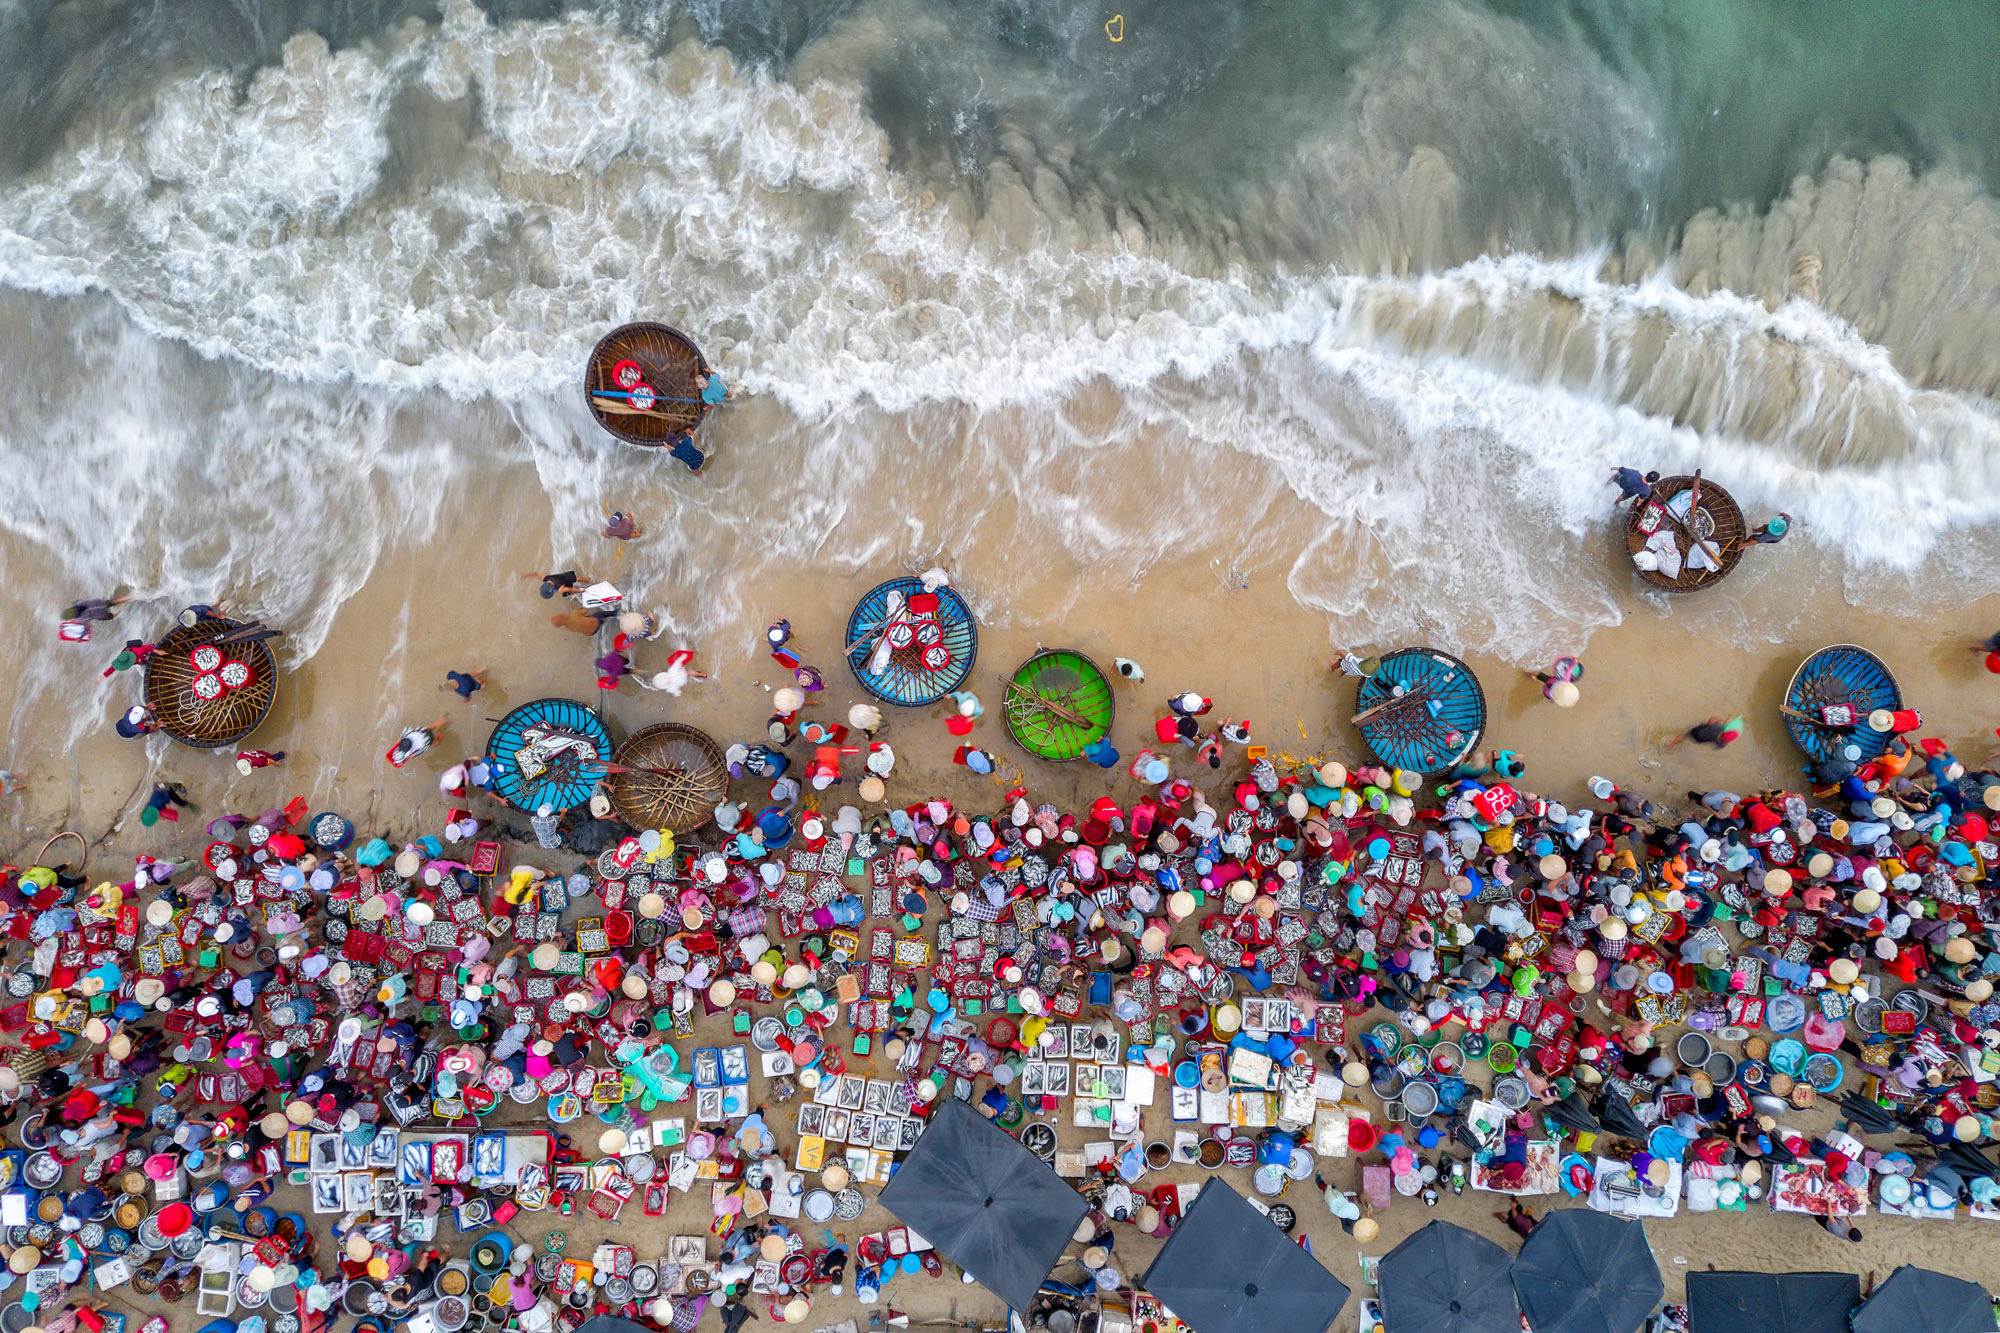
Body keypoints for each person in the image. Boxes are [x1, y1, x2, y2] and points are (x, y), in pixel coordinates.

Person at [1671, 715, 1743, 750]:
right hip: (1701, 740)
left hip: (1698, 733)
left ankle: (1671, 744)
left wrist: (1719, 720)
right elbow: (1717, 746)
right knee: (1706, 726)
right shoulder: (1723, 744)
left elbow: (1711, 720)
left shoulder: (1716, 727)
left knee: (1685, 733)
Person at [63, 595, 128, 623]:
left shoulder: (83, 618)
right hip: (99, 603)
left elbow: (85, 628)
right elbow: (78, 601)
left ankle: (120, 612)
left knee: (110, 616)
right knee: (113, 602)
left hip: (101, 613)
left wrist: (79, 638)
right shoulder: (77, 603)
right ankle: (129, 597)